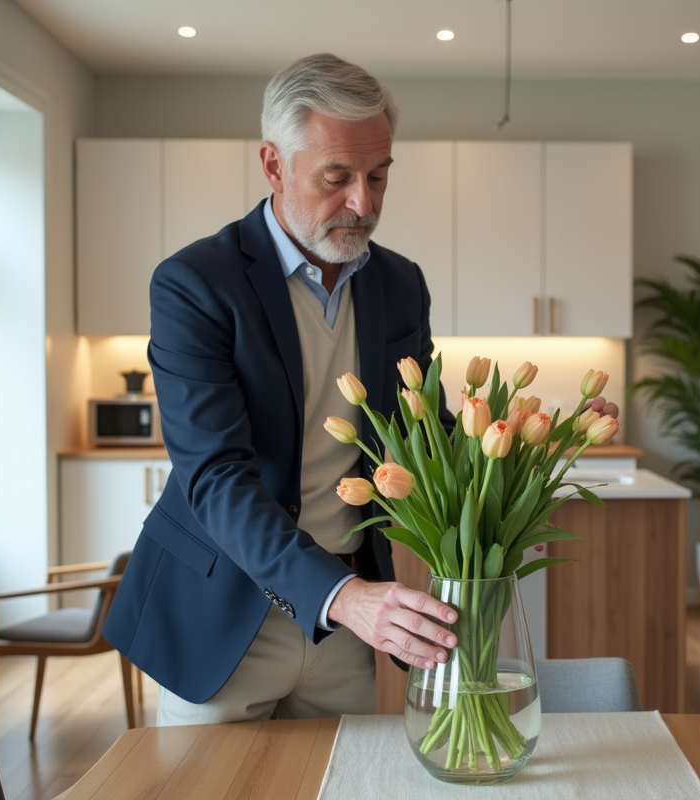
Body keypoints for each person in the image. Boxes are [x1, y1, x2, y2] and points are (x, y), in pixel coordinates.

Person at [102, 53, 458, 725]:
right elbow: (215, 476)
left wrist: (541, 438)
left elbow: (423, 437)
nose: (365, 202)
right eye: (338, 177)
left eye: (378, 175)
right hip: (222, 616)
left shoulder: (399, 284)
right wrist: (343, 595)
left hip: (347, 622)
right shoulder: (194, 285)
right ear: (273, 164)